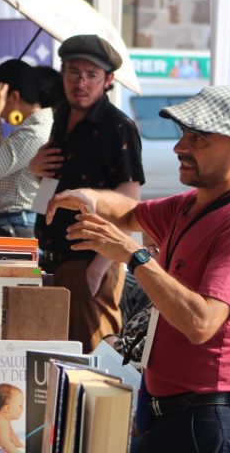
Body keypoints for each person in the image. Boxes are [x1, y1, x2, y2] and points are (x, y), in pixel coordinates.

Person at [47, 85, 230, 451]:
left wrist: (136, 257)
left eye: (198, 138)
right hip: (176, 417)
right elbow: (128, 212)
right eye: (184, 133)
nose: (180, 147)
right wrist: (89, 196)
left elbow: (201, 323)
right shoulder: (192, 204)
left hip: (211, 424)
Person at [31, 34, 145, 352]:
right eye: (73, 72)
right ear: (62, 73)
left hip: (89, 264)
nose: (80, 83)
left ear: (108, 80)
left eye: (91, 75)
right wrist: (34, 170)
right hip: (50, 259)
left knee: (93, 360)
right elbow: (50, 186)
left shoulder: (118, 127)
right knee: (53, 362)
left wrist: (97, 268)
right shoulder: (60, 117)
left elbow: (130, 204)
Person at [0, 61, 63, 238]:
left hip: (16, 225)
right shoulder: (35, 128)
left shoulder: (33, 133)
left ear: (14, 97)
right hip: (15, 224)